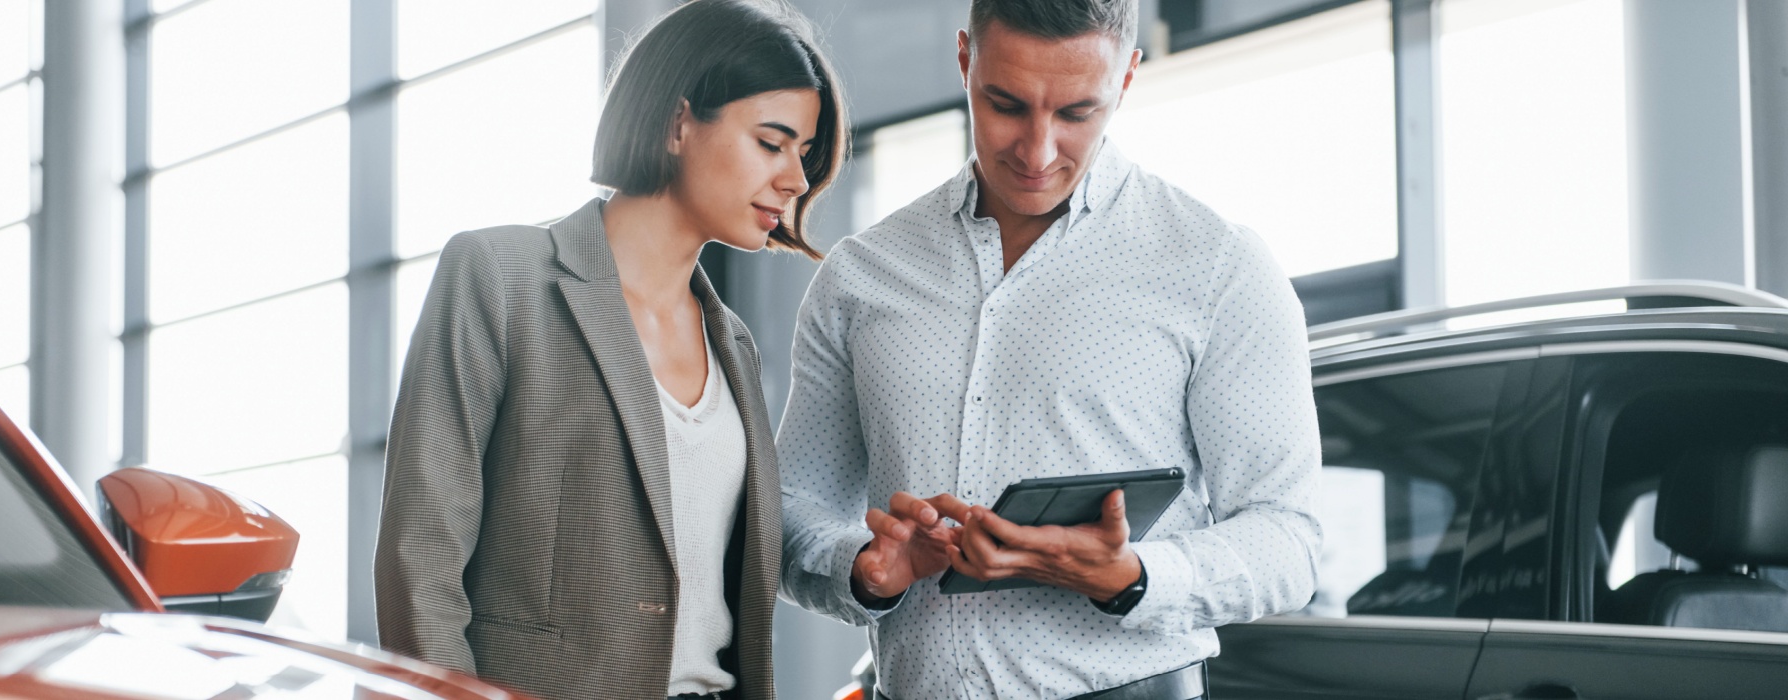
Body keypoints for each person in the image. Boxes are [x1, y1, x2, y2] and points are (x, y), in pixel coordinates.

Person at [777, 0, 1320, 698]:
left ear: (1126, 79)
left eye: (1075, 113)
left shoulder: (1218, 266)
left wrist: (1134, 575)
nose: (1036, 152)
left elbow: (1289, 540)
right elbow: (791, 508)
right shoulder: (860, 275)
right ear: (966, 59)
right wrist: (861, 565)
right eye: (1005, 105)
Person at [374, 2, 846, 698]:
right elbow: (421, 560)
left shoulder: (733, 345)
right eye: (772, 144)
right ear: (681, 122)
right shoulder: (500, 279)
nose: (796, 181)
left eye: (803, 155)